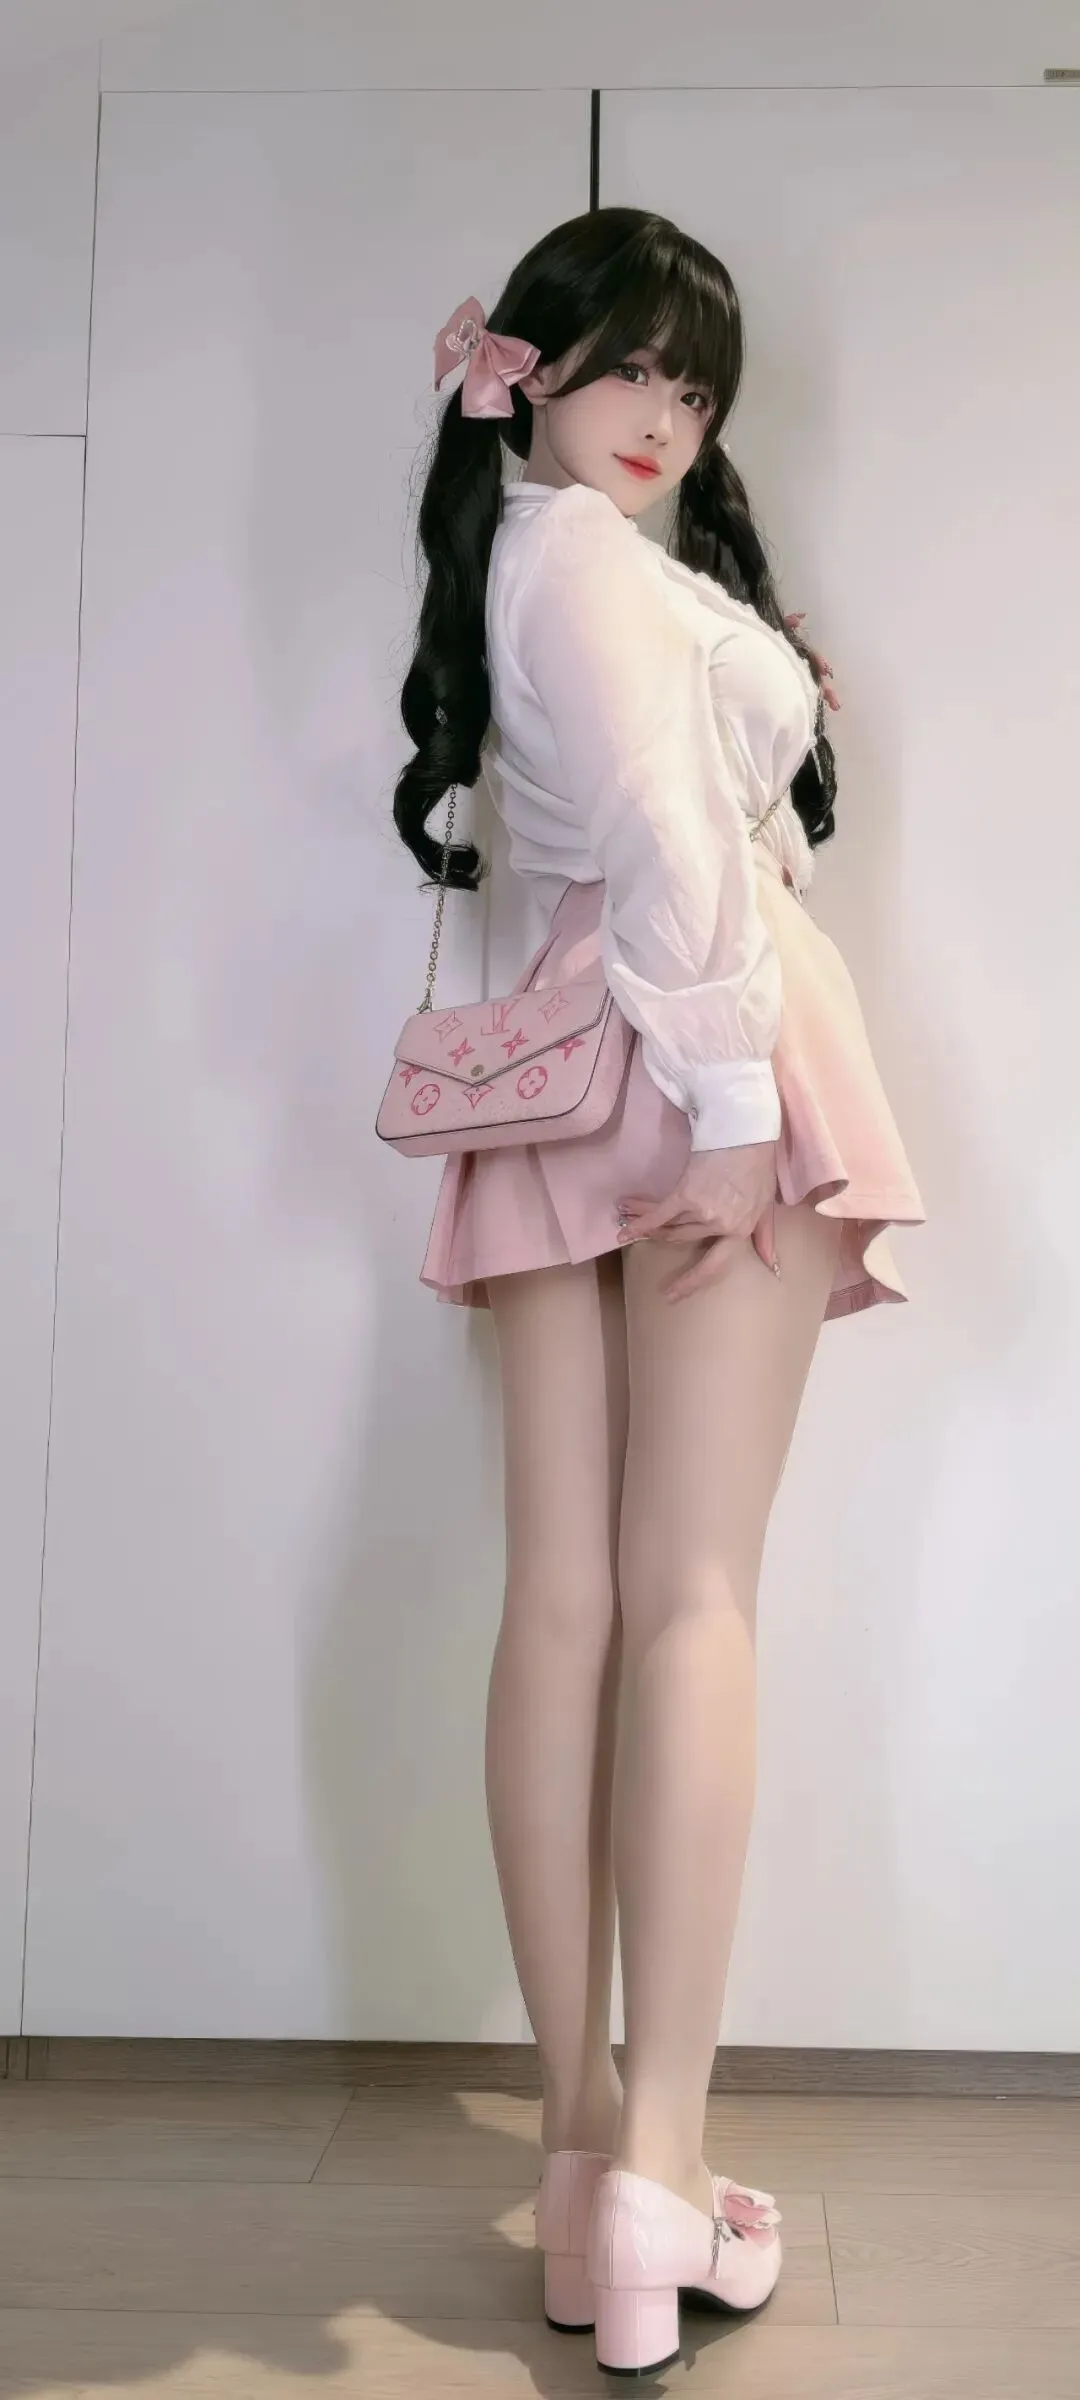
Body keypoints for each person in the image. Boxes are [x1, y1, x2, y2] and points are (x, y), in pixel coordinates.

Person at [390, 205, 925, 2379]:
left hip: (558, 1058)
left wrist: (754, 692)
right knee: (688, 1595)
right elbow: (686, 857)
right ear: (532, 366)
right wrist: (725, 1108)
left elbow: (643, 813)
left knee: (565, 1599)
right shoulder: (597, 572)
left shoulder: (545, 566)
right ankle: (661, 2173)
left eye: (695, 390)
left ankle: (582, 2155)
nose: (665, 416)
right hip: (702, 1060)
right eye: (630, 367)